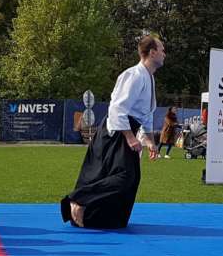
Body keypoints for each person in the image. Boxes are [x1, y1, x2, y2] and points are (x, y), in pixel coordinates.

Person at [61, 35, 164, 228]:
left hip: (127, 130)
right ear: (152, 52)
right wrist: (130, 137)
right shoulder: (134, 75)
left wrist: (149, 141)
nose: (164, 54)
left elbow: (146, 116)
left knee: (131, 180)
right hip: (116, 133)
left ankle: (99, 218)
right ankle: (77, 199)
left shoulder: (148, 78)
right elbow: (117, 109)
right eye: (162, 49)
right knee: (125, 177)